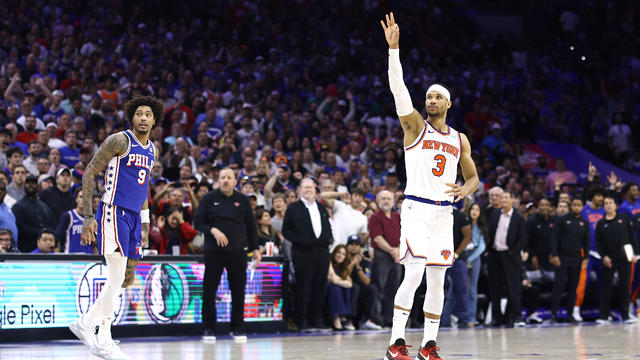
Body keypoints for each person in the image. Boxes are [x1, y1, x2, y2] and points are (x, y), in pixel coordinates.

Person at [381, 13, 479, 360]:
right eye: (429, 97)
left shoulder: (459, 138)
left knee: (438, 281)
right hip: (417, 209)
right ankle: (395, 343)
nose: (431, 100)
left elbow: (474, 177)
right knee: (414, 275)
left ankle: (429, 345)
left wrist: (466, 191)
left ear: (449, 103)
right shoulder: (414, 127)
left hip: (444, 214)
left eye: (438, 97)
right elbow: (398, 89)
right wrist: (394, 51)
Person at [68, 96, 163, 360]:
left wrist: (145, 222)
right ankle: (103, 338)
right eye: (139, 114)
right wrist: (88, 217)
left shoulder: (152, 149)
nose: (143, 118)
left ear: (155, 120)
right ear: (132, 117)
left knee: (127, 277)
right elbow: (89, 172)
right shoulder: (119, 141)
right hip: (113, 211)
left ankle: (86, 322)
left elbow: (143, 188)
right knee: (117, 275)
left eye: (148, 114)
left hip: (134, 216)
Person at [194, 168, 261, 342]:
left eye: (229, 178)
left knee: (238, 291)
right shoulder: (209, 199)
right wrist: (213, 230)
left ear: (235, 181)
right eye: (222, 177)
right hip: (214, 252)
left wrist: (256, 250)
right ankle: (209, 327)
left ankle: (237, 327)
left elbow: (252, 227)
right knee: (209, 290)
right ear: (218, 179)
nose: (225, 180)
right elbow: (198, 222)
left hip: (238, 253)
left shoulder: (243, 200)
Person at [282, 178, 333, 332]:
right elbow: (286, 231)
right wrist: (300, 240)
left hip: (322, 252)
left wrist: (329, 238)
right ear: (299, 190)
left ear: (315, 189)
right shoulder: (293, 208)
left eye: (311, 187)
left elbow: (327, 226)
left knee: (319, 287)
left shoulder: (321, 207)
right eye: (305, 188)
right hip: (302, 253)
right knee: (303, 288)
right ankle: (301, 321)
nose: (308, 190)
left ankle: (316, 321)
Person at [486, 190, 527, 327]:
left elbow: (522, 240)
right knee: (494, 288)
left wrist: (513, 253)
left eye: (506, 198)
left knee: (513, 288)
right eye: (502, 198)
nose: (503, 200)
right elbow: (490, 233)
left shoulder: (518, 218)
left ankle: (514, 317)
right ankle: (496, 318)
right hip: (495, 255)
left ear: (512, 200)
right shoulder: (495, 214)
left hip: (510, 255)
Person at [595, 196, 636, 324]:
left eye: (610, 203)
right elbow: (598, 243)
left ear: (615, 205)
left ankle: (625, 315)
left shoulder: (623, 219)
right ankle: (604, 315)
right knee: (605, 287)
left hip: (624, 258)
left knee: (625, 286)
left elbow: (631, 237)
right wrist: (604, 256)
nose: (608, 205)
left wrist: (634, 254)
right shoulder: (601, 223)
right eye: (605, 203)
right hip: (609, 260)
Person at [549, 197, 590, 323]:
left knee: (573, 287)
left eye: (579, 205)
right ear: (571, 206)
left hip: (577, 259)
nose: (576, 207)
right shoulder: (562, 220)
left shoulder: (584, 222)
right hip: (562, 258)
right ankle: (554, 314)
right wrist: (554, 255)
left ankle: (570, 314)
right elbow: (554, 238)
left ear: (582, 207)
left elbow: (587, 241)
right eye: (574, 205)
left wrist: (586, 258)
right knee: (559, 286)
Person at [369, 189, 402, 327]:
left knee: (394, 288)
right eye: (383, 199)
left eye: (389, 198)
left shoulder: (397, 216)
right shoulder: (375, 217)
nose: (386, 201)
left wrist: (398, 250)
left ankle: (390, 319)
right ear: (378, 201)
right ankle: (376, 317)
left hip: (397, 255)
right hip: (382, 255)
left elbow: (404, 235)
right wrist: (392, 251)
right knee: (379, 287)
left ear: (393, 201)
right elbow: (377, 238)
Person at [440, 207, 473, 328]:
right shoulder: (437, 214)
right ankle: (442, 320)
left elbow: (467, 237)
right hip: (439, 257)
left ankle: (464, 318)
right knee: (439, 289)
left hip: (457, 259)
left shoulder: (460, 215)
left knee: (461, 288)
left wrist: (456, 253)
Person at [345, 234, 381, 330]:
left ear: (360, 247)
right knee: (355, 287)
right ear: (347, 246)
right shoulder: (343, 257)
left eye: (357, 244)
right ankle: (349, 320)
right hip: (345, 285)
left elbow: (367, 281)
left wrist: (357, 266)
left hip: (359, 287)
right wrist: (353, 263)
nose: (354, 246)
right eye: (351, 244)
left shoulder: (364, 260)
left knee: (372, 289)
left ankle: (366, 320)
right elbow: (344, 275)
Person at [12, 174, 55, 252]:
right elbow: (20, 227)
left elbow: (51, 223)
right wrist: (39, 231)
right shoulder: (18, 206)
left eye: (34, 183)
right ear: (24, 185)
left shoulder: (44, 206)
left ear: (37, 186)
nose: (31, 185)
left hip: (45, 250)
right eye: (28, 183)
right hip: (26, 249)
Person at [464, 203, 487, 325]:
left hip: (475, 257)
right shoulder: (465, 224)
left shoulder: (481, 226)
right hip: (463, 255)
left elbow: (482, 246)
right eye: (472, 208)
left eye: (477, 209)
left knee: (472, 289)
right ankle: (460, 316)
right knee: (462, 288)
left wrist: (470, 259)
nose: (474, 211)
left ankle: (471, 318)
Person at [56, 188, 94, 254]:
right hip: (71, 258)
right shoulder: (68, 216)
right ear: (76, 199)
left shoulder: (94, 219)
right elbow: (57, 239)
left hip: (88, 259)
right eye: (81, 197)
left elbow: (96, 244)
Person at [327, 244, 355, 331]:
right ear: (334, 253)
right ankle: (336, 317)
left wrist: (339, 281)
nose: (340, 256)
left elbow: (350, 284)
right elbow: (331, 278)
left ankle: (343, 316)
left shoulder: (344, 267)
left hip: (336, 286)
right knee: (335, 287)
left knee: (346, 288)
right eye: (338, 253)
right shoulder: (329, 261)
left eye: (343, 254)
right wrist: (342, 281)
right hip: (325, 287)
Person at [526, 198, 555, 270]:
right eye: (542, 205)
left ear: (549, 207)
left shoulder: (554, 220)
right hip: (535, 257)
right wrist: (532, 256)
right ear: (538, 207)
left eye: (546, 205)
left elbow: (556, 239)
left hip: (550, 257)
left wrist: (553, 254)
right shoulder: (531, 221)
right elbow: (526, 241)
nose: (544, 207)